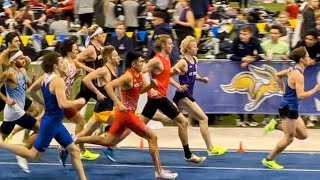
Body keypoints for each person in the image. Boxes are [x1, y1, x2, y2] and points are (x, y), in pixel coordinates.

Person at [73, 51, 178, 179]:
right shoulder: (128, 76)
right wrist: (118, 103)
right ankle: (159, 172)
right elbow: (109, 86)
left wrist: (150, 85)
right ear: (134, 64)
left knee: (108, 142)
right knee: (152, 137)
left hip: (124, 115)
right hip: (127, 115)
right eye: (140, 62)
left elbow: (141, 91)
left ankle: (74, 140)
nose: (143, 64)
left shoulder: (139, 75)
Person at [0, 52, 87, 180]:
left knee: (74, 150)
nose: (65, 64)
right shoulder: (58, 81)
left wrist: (43, 103)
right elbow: (63, 104)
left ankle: (83, 179)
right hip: (50, 124)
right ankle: (3, 145)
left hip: (56, 123)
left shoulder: (46, 77)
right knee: (33, 155)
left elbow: (31, 90)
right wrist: (79, 101)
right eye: (62, 62)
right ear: (55, 66)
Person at [141, 34, 205, 163]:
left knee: (138, 124)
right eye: (170, 43)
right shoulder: (156, 60)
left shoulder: (167, 58)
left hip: (158, 98)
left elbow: (166, 76)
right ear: (163, 45)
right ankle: (188, 155)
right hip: (157, 97)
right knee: (183, 122)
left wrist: (178, 85)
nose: (172, 46)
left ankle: (113, 133)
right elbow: (140, 72)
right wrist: (150, 88)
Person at [262, 46, 320, 169]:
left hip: (291, 107)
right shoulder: (298, 75)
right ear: (302, 59)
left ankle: (275, 125)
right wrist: (315, 89)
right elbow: (300, 95)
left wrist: (283, 90)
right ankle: (269, 159)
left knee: (303, 135)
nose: (309, 58)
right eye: (307, 56)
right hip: (289, 108)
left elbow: (277, 75)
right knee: (289, 138)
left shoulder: (291, 70)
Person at [171, 36, 227, 156]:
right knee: (203, 119)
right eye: (194, 47)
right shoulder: (182, 62)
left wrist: (201, 79)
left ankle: (149, 116)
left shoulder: (195, 60)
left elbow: (192, 75)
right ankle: (210, 148)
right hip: (183, 95)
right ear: (188, 49)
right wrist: (178, 85)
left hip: (187, 94)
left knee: (171, 119)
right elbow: (168, 75)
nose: (197, 48)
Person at [75, 45, 120, 162]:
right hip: (103, 108)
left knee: (85, 133)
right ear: (109, 59)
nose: (119, 57)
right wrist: (98, 93)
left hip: (105, 107)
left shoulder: (114, 70)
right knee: (120, 123)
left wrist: (117, 101)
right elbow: (86, 80)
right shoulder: (103, 70)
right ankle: (108, 146)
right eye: (115, 56)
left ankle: (68, 143)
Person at [0, 50, 40, 173]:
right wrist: (6, 99)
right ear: (14, 60)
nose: (24, 59)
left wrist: (33, 77)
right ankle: (23, 153)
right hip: (15, 111)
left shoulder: (22, 71)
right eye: (21, 58)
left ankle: (23, 153)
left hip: (12, 113)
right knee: (40, 129)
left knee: (1, 137)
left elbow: (29, 87)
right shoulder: (9, 73)